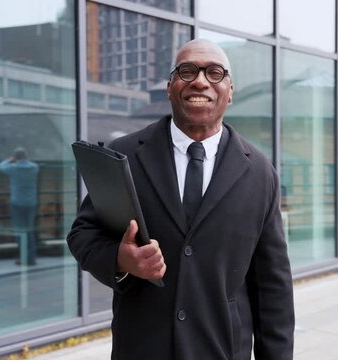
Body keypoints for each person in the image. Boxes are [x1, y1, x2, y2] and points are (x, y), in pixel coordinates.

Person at [67, 39, 294, 359]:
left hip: (222, 350)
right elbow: (82, 234)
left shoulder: (260, 173)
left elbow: (273, 288)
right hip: (142, 349)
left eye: (215, 73)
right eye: (187, 71)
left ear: (230, 91)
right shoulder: (126, 155)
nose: (200, 80)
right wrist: (121, 259)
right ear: (170, 87)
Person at [0, 147, 40, 266]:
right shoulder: (35, 167)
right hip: (31, 202)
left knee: (20, 231)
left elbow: (0, 166)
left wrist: (10, 160)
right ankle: (31, 258)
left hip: (17, 203)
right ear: (26, 156)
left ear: (16, 157)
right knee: (30, 230)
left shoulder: (13, 168)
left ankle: (23, 258)